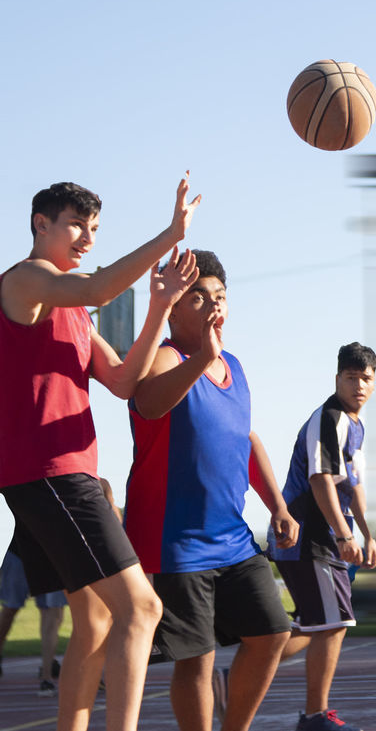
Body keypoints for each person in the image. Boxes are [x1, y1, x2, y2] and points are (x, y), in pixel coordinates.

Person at [0, 176, 200, 731]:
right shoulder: (26, 281)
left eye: (93, 228)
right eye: (76, 225)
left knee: (94, 620)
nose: (87, 236)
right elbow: (100, 288)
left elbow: (123, 380)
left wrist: (160, 303)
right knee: (142, 608)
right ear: (41, 224)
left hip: (62, 475)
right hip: (51, 475)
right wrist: (170, 235)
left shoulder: (73, 311)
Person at [125, 250, 298, 731]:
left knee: (271, 632)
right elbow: (150, 403)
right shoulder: (163, 357)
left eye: (219, 297)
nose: (212, 306)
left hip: (232, 536)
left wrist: (278, 505)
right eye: (198, 297)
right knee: (196, 659)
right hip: (173, 540)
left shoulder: (235, 367)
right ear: (174, 306)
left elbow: (246, 439)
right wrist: (202, 357)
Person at [267, 342, 376, 731]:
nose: (358, 385)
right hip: (307, 534)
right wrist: (345, 533)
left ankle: (245, 673)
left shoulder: (356, 425)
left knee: (317, 624)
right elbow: (320, 480)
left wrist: (367, 534)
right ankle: (315, 717)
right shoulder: (330, 418)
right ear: (337, 379)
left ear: (374, 383)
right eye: (351, 378)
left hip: (329, 538)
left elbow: (355, 486)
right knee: (333, 624)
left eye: (365, 379)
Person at [0, 549, 67, 696]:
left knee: (52, 611)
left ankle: (47, 676)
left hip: (51, 556)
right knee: (10, 608)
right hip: (18, 553)